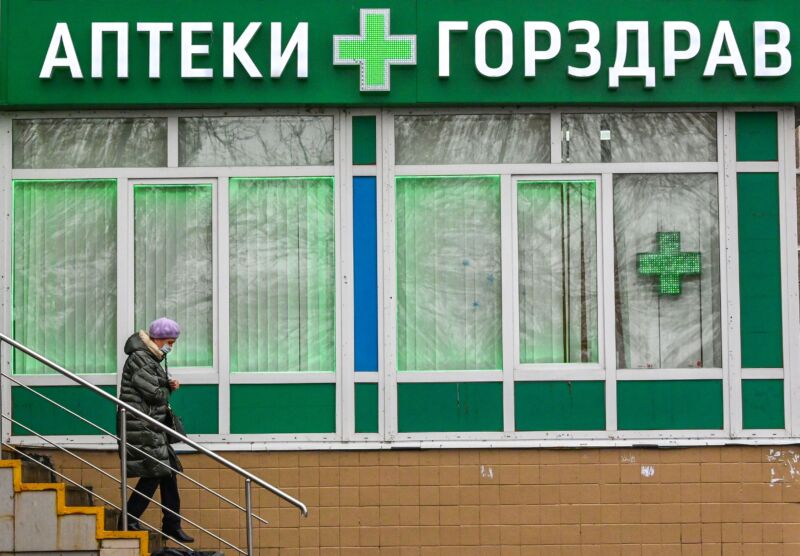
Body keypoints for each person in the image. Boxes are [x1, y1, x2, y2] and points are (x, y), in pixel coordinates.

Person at [119, 317, 193, 543]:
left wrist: (165, 383)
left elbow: (152, 388)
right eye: (170, 341)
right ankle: (128, 519)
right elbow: (152, 393)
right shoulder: (141, 358)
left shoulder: (149, 357)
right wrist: (166, 387)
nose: (171, 346)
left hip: (149, 424)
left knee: (167, 472)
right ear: (159, 339)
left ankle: (172, 524)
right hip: (141, 424)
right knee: (155, 473)